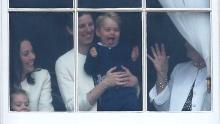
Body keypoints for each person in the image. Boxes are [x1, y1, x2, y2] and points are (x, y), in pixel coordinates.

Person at [55, 12, 139, 111]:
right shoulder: (64, 62)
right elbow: (72, 107)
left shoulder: (115, 51)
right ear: (70, 30)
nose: (88, 29)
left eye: (90, 24)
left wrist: (135, 83)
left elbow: (133, 95)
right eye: (81, 26)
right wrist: (105, 84)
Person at [84, 12, 139, 111]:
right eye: (107, 30)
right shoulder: (95, 49)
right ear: (98, 32)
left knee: (133, 106)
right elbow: (88, 69)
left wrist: (133, 60)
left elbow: (133, 71)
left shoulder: (125, 48)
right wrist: (93, 58)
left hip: (127, 91)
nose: (112, 33)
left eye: (116, 30)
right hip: (107, 94)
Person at [148, 42, 211, 111]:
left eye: (189, 41)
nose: (185, 44)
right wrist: (162, 75)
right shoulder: (179, 69)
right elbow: (163, 106)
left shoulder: (215, 72)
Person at [10, 39, 54, 111]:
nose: (33, 57)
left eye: (32, 52)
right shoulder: (4, 80)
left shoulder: (42, 76)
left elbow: (46, 113)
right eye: (26, 54)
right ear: (15, 58)